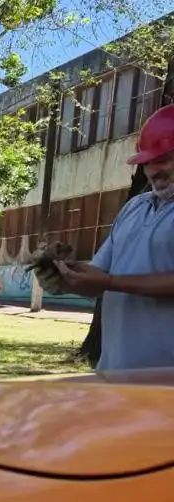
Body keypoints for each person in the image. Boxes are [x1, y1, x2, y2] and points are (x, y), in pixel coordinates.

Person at [55, 105, 174, 371]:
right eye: (146, 163)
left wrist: (110, 281)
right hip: (115, 373)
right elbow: (98, 278)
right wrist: (66, 277)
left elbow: (108, 280)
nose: (152, 171)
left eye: (162, 159)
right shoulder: (135, 207)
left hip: (167, 383)